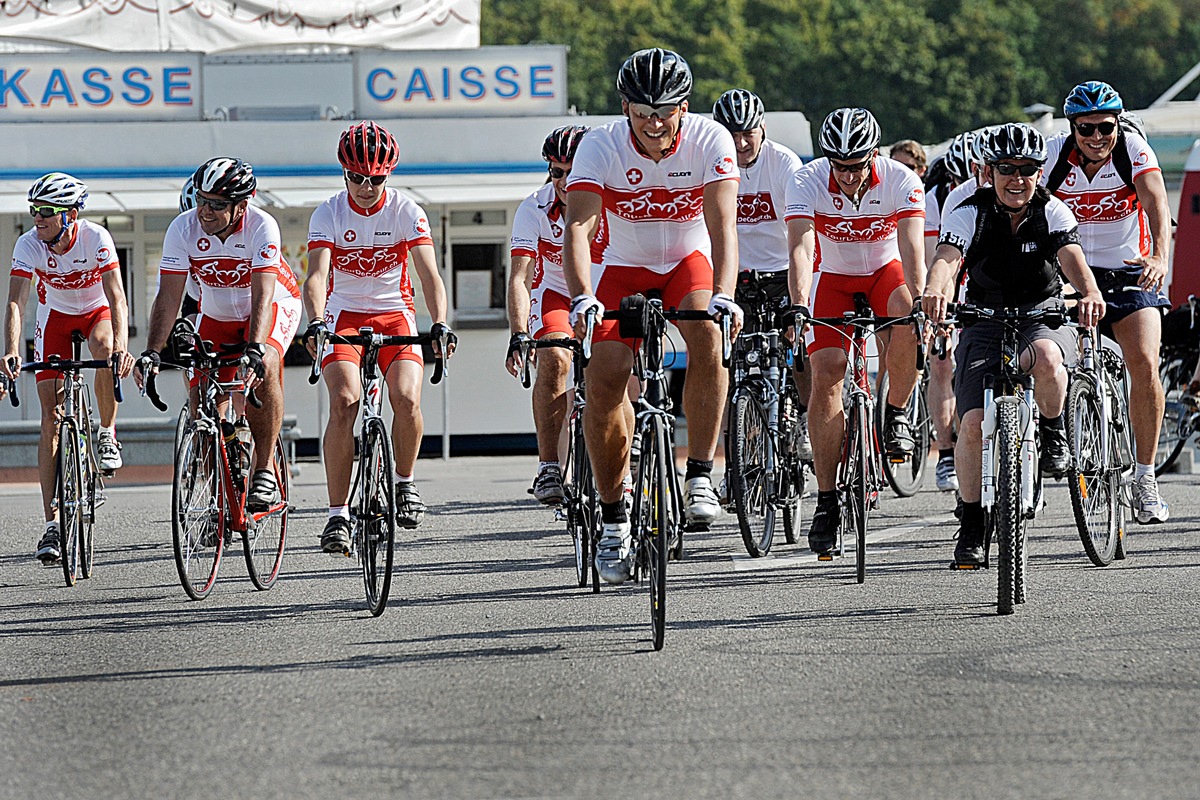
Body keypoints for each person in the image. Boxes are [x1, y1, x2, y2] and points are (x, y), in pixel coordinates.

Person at [562, 47, 742, 584]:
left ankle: (702, 474)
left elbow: (722, 231)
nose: (654, 125)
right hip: (624, 265)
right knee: (605, 378)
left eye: (664, 113)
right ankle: (614, 517)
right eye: (642, 114)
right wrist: (581, 296)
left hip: (687, 262)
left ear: (684, 107)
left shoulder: (712, 140)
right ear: (625, 108)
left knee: (708, 336)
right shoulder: (600, 145)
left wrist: (725, 295)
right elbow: (577, 230)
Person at [922, 122, 1106, 565]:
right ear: (989, 171)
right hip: (983, 319)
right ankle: (970, 524)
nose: (1017, 178)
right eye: (1007, 168)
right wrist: (935, 289)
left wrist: (1090, 292)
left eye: (1027, 169)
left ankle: (1052, 429)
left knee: (1046, 357)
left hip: (1040, 315)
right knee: (971, 424)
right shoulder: (968, 210)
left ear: (1040, 172)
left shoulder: (1053, 211)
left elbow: (1072, 260)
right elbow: (947, 259)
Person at [302, 121, 454, 554]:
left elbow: (430, 276)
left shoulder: (407, 211)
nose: (366, 186)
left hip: (395, 316)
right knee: (345, 400)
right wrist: (315, 321)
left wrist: (439, 322)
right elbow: (316, 277)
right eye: (357, 177)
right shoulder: (328, 213)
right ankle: (337, 514)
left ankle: (404, 482)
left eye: (377, 179)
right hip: (343, 316)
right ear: (343, 173)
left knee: (406, 398)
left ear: (390, 175)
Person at [785, 107, 927, 555]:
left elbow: (911, 250)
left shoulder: (903, 180)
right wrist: (798, 306)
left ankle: (897, 411)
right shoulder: (807, 181)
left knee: (906, 325)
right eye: (838, 165)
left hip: (885, 272)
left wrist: (922, 301)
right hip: (833, 278)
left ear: (875, 154)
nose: (846, 175)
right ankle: (826, 498)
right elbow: (802, 248)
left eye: (856, 164)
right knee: (827, 372)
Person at [137, 157, 302, 513]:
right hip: (219, 312)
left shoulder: (262, 226)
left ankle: (263, 470)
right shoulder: (183, 228)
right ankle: (218, 497)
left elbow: (263, 295)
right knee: (201, 398)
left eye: (216, 204)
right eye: (201, 200)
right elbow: (169, 296)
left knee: (265, 366)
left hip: (272, 305)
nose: (205, 212)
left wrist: (256, 349)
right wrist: (152, 350)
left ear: (242, 205)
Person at [1043, 81, 1173, 524]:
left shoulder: (1131, 149)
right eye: (1086, 129)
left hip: (1129, 269)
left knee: (1144, 360)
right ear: (1072, 128)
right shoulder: (1054, 156)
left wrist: (1159, 255)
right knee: (1045, 358)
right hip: (1072, 275)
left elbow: (1156, 200)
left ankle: (1145, 476)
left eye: (1105, 127)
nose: (1097, 138)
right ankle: (1043, 448)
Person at [2, 172, 135, 563]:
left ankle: (107, 433)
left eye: (46, 211)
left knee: (105, 348)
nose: (37, 218)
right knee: (50, 419)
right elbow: (16, 303)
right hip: (55, 317)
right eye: (34, 210)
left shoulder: (96, 238)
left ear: (71, 215)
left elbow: (117, 297)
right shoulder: (29, 244)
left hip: (96, 313)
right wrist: (11, 350)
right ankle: (52, 525)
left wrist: (123, 350)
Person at [711, 87, 811, 468]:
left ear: (762, 128)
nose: (740, 143)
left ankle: (802, 417)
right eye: (731, 135)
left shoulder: (783, 162)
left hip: (781, 273)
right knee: (729, 367)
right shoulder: (713, 163)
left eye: (747, 133)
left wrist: (799, 293)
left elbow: (801, 232)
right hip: (734, 277)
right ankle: (738, 460)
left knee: (798, 348)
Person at [506, 124, 591, 506]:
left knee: (624, 365)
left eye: (574, 170)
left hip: (603, 290)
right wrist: (518, 333)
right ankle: (549, 465)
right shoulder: (534, 207)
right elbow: (521, 277)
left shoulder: (611, 201)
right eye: (557, 171)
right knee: (555, 358)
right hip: (557, 293)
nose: (564, 180)